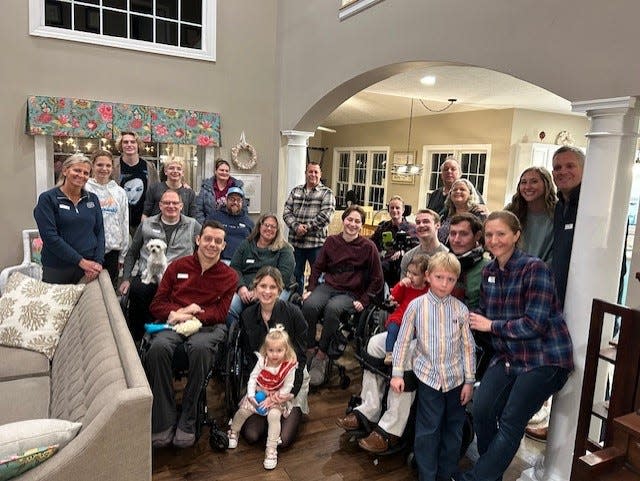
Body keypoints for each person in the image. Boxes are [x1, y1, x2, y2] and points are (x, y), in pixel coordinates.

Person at [461, 211, 573, 481]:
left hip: (545, 358)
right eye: (489, 234)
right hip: (509, 356)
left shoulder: (535, 269)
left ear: (516, 235)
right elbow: (483, 315)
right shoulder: (489, 271)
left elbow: (535, 325)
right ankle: (491, 473)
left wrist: (491, 326)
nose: (494, 239)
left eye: (501, 233)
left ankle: (479, 477)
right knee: (482, 409)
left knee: (511, 421)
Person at [145, 220, 237, 448]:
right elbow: (157, 304)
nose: (212, 244)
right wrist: (178, 312)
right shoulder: (177, 267)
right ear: (198, 240)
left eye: (218, 241)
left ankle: (188, 418)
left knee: (201, 349)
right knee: (157, 349)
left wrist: (196, 316)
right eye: (208, 239)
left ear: (224, 245)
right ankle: (163, 421)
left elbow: (221, 312)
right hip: (175, 322)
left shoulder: (229, 276)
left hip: (208, 326)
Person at [391, 252, 475, 481]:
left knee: (453, 430)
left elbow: (468, 347)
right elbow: (403, 340)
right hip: (428, 378)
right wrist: (397, 373)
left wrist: (469, 380)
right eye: (439, 277)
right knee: (428, 430)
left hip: (456, 380)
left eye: (450, 279)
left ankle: (445, 474)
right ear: (428, 276)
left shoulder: (461, 310)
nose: (444, 284)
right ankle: (427, 475)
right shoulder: (416, 307)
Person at [302, 205, 383, 387]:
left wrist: (364, 300)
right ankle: (309, 349)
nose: (352, 224)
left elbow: (377, 279)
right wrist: (311, 288)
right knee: (309, 305)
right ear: (343, 220)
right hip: (329, 286)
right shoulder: (331, 241)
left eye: (357, 221)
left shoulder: (368, 247)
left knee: (333, 309)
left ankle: (321, 355)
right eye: (350, 219)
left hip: (351, 292)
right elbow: (317, 267)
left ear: (361, 225)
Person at [235, 266, 309, 450]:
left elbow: (300, 359)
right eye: (262, 286)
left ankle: (286, 413)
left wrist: (283, 394)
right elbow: (250, 358)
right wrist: (261, 388)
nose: (267, 292)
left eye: (273, 287)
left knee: (282, 441)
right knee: (251, 435)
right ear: (255, 287)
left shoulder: (293, 314)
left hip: (291, 377)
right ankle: (267, 416)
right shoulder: (247, 316)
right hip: (263, 380)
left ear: (280, 290)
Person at [120, 190, 201, 341]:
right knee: (138, 290)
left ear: (181, 206)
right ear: (160, 205)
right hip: (148, 275)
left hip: (180, 278)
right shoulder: (146, 224)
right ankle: (138, 340)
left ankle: (169, 337)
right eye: (167, 203)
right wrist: (125, 278)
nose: (171, 206)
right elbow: (132, 253)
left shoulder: (193, 225)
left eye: (175, 203)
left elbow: (202, 252)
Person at [227, 326, 299, 470]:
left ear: (286, 350)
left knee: (274, 416)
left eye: (279, 350)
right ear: (266, 350)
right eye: (271, 350)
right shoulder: (262, 361)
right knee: (243, 411)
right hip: (260, 391)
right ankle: (234, 431)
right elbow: (253, 378)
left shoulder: (288, 367)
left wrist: (273, 399)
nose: (274, 354)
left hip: (277, 397)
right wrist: (252, 395)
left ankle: (271, 449)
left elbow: (287, 387)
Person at [34, 153, 104, 284]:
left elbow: (100, 232)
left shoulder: (92, 199)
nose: (81, 175)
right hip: (58, 268)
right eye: (77, 170)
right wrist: (81, 262)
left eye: (86, 173)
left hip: (89, 269)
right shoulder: (48, 199)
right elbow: (50, 237)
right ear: (65, 170)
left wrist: (98, 263)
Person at [227, 214, 295, 326]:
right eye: (266, 225)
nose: (269, 229)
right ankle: (237, 336)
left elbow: (284, 274)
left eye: (273, 227)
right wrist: (241, 287)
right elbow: (234, 268)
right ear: (259, 226)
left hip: (275, 288)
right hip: (246, 289)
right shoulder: (246, 245)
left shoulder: (284, 249)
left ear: (277, 230)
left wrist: (259, 291)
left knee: (269, 307)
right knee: (230, 306)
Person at [283, 161, 336, 295]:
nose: (313, 174)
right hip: (296, 243)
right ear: (305, 173)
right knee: (295, 276)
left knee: (317, 277)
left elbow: (326, 216)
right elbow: (286, 211)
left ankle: (313, 305)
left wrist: (306, 228)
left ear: (320, 174)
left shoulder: (326, 193)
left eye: (316, 172)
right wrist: (296, 227)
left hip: (316, 244)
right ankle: (296, 304)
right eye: (310, 171)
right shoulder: (296, 191)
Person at [85, 149, 129, 287]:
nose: (104, 169)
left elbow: (124, 221)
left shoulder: (119, 192)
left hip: (112, 250)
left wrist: (123, 253)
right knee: (89, 290)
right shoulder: (84, 188)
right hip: (88, 250)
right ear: (92, 166)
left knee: (109, 291)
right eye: (100, 165)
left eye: (108, 165)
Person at [551, 146, 584, 307]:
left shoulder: (593, 207)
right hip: (559, 300)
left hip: (584, 302)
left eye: (570, 166)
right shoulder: (558, 207)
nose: (562, 171)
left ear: (585, 170)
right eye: (557, 168)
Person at [383, 254, 430, 365]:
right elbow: (395, 296)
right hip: (400, 316)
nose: (410, 276)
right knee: (392, 330)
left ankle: (401, 354)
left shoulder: (428, 290)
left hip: (415, 322)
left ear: (425, 276)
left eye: (415, 274)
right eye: (408, 272)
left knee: (412, 336)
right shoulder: (405, 286)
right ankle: (389, 353)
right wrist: (400, 284)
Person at [505, 166, 556, 264]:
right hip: (513, 271)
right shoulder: (511, 211)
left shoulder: (557, 213)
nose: (528, 187)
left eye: (534, 182)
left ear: (546, 184)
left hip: (544, 273)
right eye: (524, 182)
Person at [112, 131, 160, 234]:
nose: (129, 145)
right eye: (125, 142)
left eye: (132, 142)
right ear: (121, 145)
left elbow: (158, 191)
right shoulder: (112, 166)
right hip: (118, 220)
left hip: (144, 220)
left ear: (138, 145)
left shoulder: (149, 167)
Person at [370, 195, 418, 287]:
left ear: (403, 210)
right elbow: (372, 243)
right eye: (392, 208)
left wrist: (403, 252)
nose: (394, 210)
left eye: (397, 208)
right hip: (384, 264)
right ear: (388, 210)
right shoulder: (382, 227)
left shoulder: (412, 228)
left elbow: (416, 248)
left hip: (403, 265)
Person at [399, 209, 448, 280]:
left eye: (426, 221)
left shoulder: (447, 256)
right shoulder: (408, 257)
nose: (421, 225)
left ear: (437, 225)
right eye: (418, 222)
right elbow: (403, 288)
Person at [209, 187, 254, 262]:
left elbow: (253, 244)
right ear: (226, 200)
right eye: (232, 199)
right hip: (218, 261)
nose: (235, 202)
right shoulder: (214, 218)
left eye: (238, 200)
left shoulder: (249, 222)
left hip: (241, 262)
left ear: (242, 202)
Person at [194, 158, 245, 224]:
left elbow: (243, 208)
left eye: (227, 171)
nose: (224, 173)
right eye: (221, 170)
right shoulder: (206, 187)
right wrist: (204, 225)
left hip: (232, 224)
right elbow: (198, 209)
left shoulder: (237, 186)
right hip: (211, 225)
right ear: (215, 171)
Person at [438, 178, 487, 245]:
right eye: (455, 190)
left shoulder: (479, 213)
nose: (458, 191)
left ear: (470, 194)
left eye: (462, 189)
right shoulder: (445, 213)